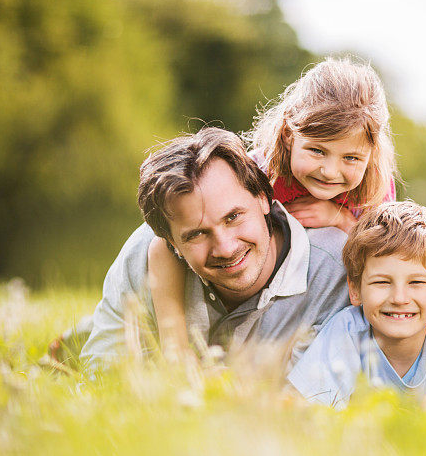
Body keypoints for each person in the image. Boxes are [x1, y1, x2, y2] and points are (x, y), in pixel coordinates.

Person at [148, 57, 397, 361]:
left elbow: (391, 255)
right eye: (317, 150)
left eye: (351, 158)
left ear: (371, 154)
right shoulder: (259, 172)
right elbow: (177, 233)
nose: (331, 171)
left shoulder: (374, 192)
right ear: (290, 135)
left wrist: (343, 220)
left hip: (308, 301)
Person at [78, 127, 350, 370]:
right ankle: (79, 332)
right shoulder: (144, 254)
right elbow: (103, 378)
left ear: (263, 198)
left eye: (233, 217)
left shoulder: (336, 272)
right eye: (197, 234)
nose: (225, 248)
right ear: (171, 243)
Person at [288, 201, 426, 409]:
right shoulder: (346, 332)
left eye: (416, 282)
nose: (399, 298)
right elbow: (305, 414)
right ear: (354, 290)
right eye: (381, 282)